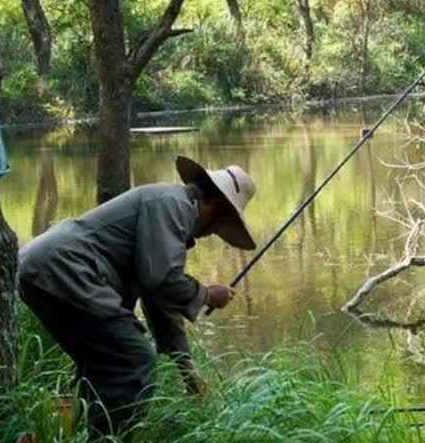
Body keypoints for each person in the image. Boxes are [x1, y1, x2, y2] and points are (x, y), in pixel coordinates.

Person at [17, 156, 257, 438]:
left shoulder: (170, 207)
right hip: (65, 268)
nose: (210, 234)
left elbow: (157, 295)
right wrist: (206, 294)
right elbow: (161, 278)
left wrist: (186, 367)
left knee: (102, 364)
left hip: (45, 268)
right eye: (217, 227)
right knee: (134, 360)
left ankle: (71, 434)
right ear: (216, 206)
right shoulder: (172, 205)